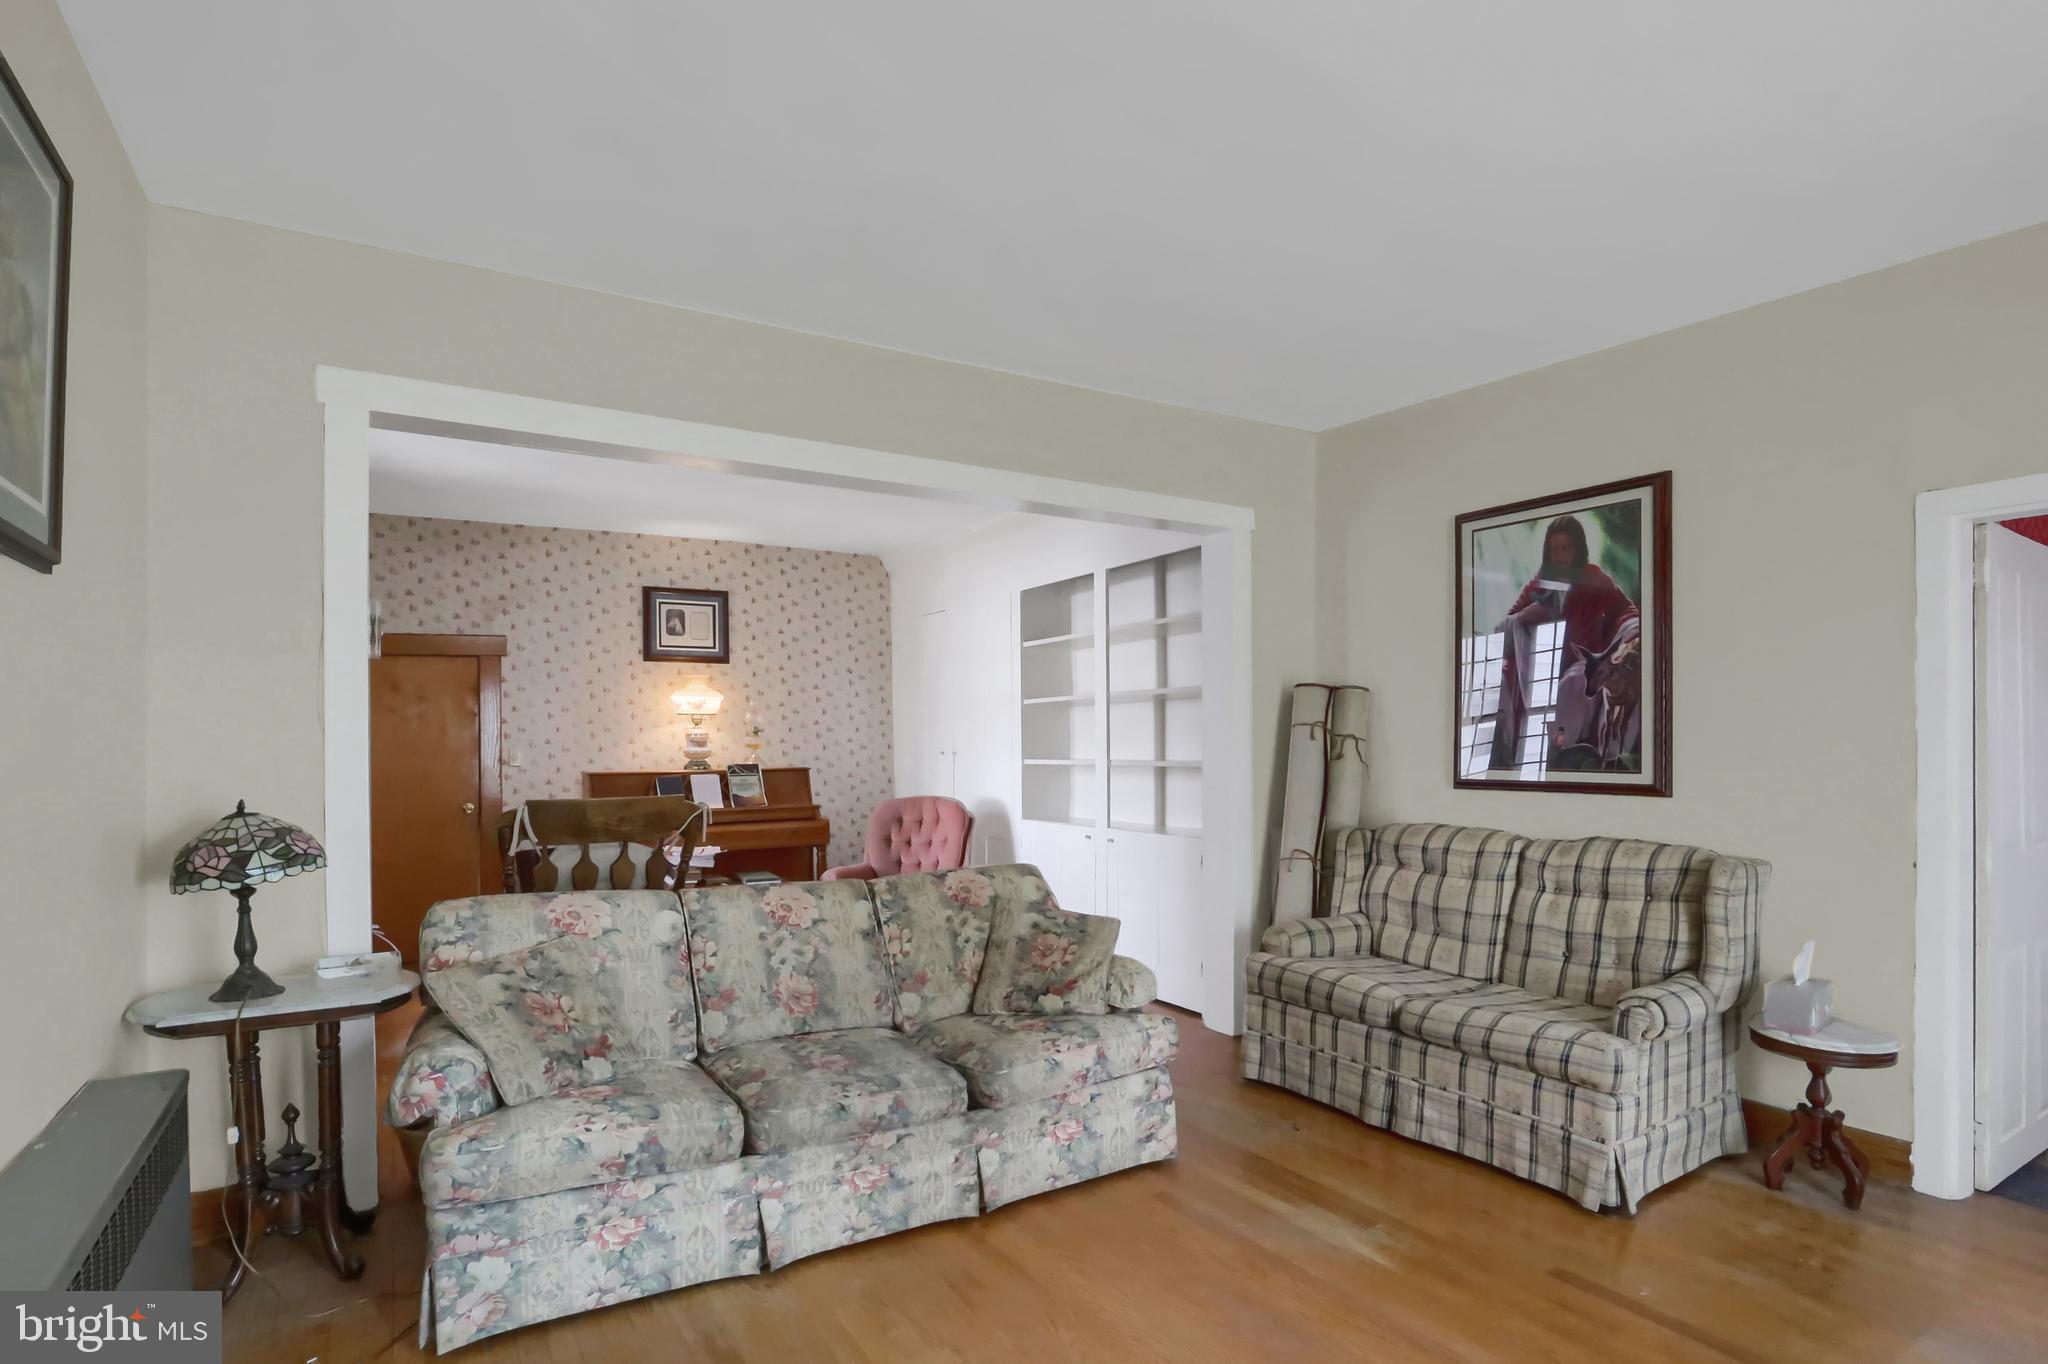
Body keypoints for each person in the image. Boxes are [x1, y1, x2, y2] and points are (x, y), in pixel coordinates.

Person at [1486, 513, 1640, 772]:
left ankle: (1563, 753)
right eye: (1554, 550)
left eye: (1565, 549)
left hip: (1578, 665)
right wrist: (1526, 616)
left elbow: (1628, 614)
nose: (1560, 557)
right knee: (1497, 678)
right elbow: (1501, 631)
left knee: (1577, 680)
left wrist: (1631, 637)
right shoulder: (1538, 584)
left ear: (1579, 548)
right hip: (1534, 671)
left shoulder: (1596, 581)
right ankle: (1506, 752)